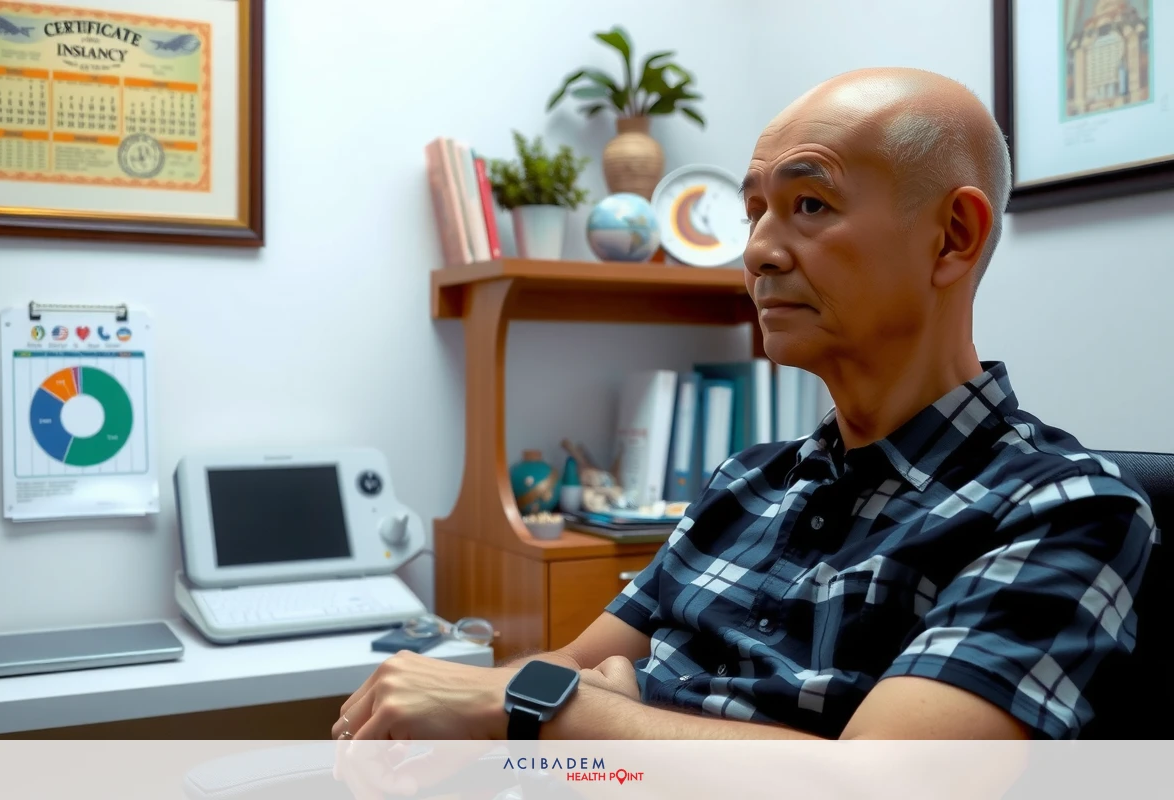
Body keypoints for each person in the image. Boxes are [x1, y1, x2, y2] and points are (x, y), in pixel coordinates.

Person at [332, 66, 1155, 743]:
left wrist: (581, 711)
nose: (756, 250)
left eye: (810, 205)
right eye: (754, 209)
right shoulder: (747, 483)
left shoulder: (1066, 510)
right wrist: (449, 696)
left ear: (952, 238)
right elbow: (573, 664)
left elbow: (883, 787)